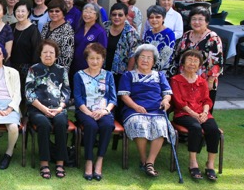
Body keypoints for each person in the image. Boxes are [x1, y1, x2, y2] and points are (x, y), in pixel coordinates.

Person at [118, 44, 174, 178]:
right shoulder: (128, 75)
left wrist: (166, 101)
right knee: (140, 125)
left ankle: (150, 162)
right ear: (136, 59)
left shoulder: (159, 75)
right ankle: (143, 159)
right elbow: (124, 96)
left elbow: (167, 93)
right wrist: (135, 106)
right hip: (135, 110)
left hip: (156, 109)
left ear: (154, 61)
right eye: (142, 57)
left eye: (149, 58)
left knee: (161, 126)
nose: (145, 60)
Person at [170, 50, 221, 181]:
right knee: (195, 127)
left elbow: (207, 100)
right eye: (189, 60)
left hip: (202, 113)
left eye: (195, 61)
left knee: (213, 130)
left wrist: (204, 113)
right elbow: (178, 101)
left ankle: (210, 164)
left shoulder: (202, 81)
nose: (192, 63)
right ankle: (193, 162)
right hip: (183, 114)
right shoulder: (176, 80)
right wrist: (193, 114)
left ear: (199, 65)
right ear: (183, 63)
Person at [26, 40, 70, 179]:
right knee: (43, 124)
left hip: (57, 108)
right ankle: (44, 163)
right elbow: (28, 93)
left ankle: (60, 163)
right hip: (38, 109)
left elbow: (66, 91)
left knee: (61, 122)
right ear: (40, 55)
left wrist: (60, 107)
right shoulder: (33, 69)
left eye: (51, 53)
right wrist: (43, 108)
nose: (48, 55)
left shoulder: (62, 70)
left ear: (56, 55)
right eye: (45, 52)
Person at [73, 43, 117, 181]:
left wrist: (104, 111)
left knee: (107, 125)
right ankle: (89, 160)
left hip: (103, 111)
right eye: (91, 58)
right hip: (85, 111)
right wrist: (89, 113)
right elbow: (78, 98)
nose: (95, 61)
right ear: (87, 59)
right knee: (91, 126)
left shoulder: (108, 75)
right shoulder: (79, 75)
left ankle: (99, 160)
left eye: (98, 58)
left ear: (103, 59)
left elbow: (113, 99)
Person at [171, 6, 223, 105]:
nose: (196, 22)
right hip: (184, 80)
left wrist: (210, 81)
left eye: (200, 19)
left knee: (203, 110)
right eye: (194, 19)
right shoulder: (186, 35)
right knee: (184, 109)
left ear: (207, 22)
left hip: (204, 81)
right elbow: (178, 56)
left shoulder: (213, 38)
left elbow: (217, 63)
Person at [104, 3, 141, 119]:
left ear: (125, 16)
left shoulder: (131, 32)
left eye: (120, 15)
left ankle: (118, 124)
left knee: (119, 98)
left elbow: (133, 54)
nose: (117, 17)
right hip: (103, 70)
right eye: (114, 14)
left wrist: (127, 73)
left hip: (121, 72)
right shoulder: (104, 27)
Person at [11, 1, 42, 101]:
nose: (20, 13)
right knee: (12, 93)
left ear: (28, 12)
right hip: (11, 66)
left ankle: (25, 116)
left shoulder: (33, 30)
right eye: (18, 11)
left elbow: (37, 51)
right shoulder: (11, 27)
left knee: (25, 94)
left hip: (27, 68)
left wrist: (32, 70)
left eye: (23, 11)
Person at [40, 0, 75, 73]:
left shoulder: (67, 29)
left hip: (57, 71)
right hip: (43, 67)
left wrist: (60, 72)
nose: (54, 13)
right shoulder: (46, 25)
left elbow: (67, 56)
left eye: (57, 11)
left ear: (63, 12)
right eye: (51, 11)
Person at [72, 3, 108, 75]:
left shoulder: (100, 31)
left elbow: (102, 51)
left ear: (96, 16)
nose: (87, 14)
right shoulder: (79, 27)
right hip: (75, 66)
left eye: (90, 12)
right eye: (85, 11)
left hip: (91, 67)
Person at [143, 5, 176, 73]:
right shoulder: (148, 32)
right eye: (151, 17)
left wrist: (149, 69)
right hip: (146, 69)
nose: (154, 20)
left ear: (163, 18)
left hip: (162, 72)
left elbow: (165, 58)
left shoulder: (169, 34)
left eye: (158, 17)